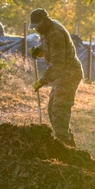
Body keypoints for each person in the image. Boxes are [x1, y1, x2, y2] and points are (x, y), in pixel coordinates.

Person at [28, 8, 83, 147]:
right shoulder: (47, 30)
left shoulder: (56, 33)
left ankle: (64, 146)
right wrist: (39, 50)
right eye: (34, 27)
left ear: (45, 21)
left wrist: (42, 81)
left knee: (59, 111)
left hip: (69, 74)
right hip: (62, 75)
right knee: (52, 110)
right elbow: (49, 47)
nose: (36, 30)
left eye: (38, 26)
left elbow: (57, 63)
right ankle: (68, 144)